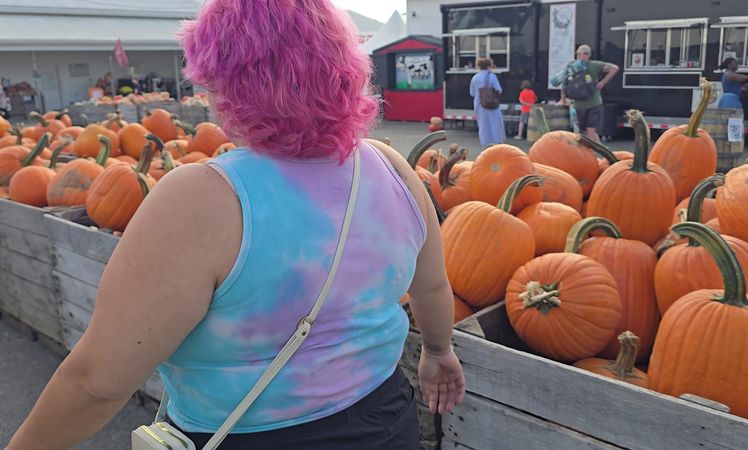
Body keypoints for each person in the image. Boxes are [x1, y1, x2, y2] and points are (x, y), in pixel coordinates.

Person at [8, 1, 465, 449]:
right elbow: (431, 286)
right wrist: (439, 352)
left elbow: (96, 382)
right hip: (386, 419)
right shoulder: (389, 167)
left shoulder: (201, 198)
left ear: (228, 83)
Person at [553, 44, 619, 142]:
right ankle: (599, 150)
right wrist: (563, 99)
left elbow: (615, 68)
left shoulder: (594, 65)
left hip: (594, 104)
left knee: (590, 131)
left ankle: (595, 153)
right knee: (583, 132)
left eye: (584, 54)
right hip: (579, 105)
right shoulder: (572, 66)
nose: (581, 56)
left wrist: (602, 83)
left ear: (588, 55)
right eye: (579, 54)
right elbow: (564, 81)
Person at [469, 57, 506, 146]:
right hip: (492, 104)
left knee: (483, 126)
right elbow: (499, 90)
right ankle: (496, 142)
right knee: (494, 124)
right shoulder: (492, 76)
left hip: (479, 105)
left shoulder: (475, 77)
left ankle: (485, 144)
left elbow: (472, 93)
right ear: (489, 66)